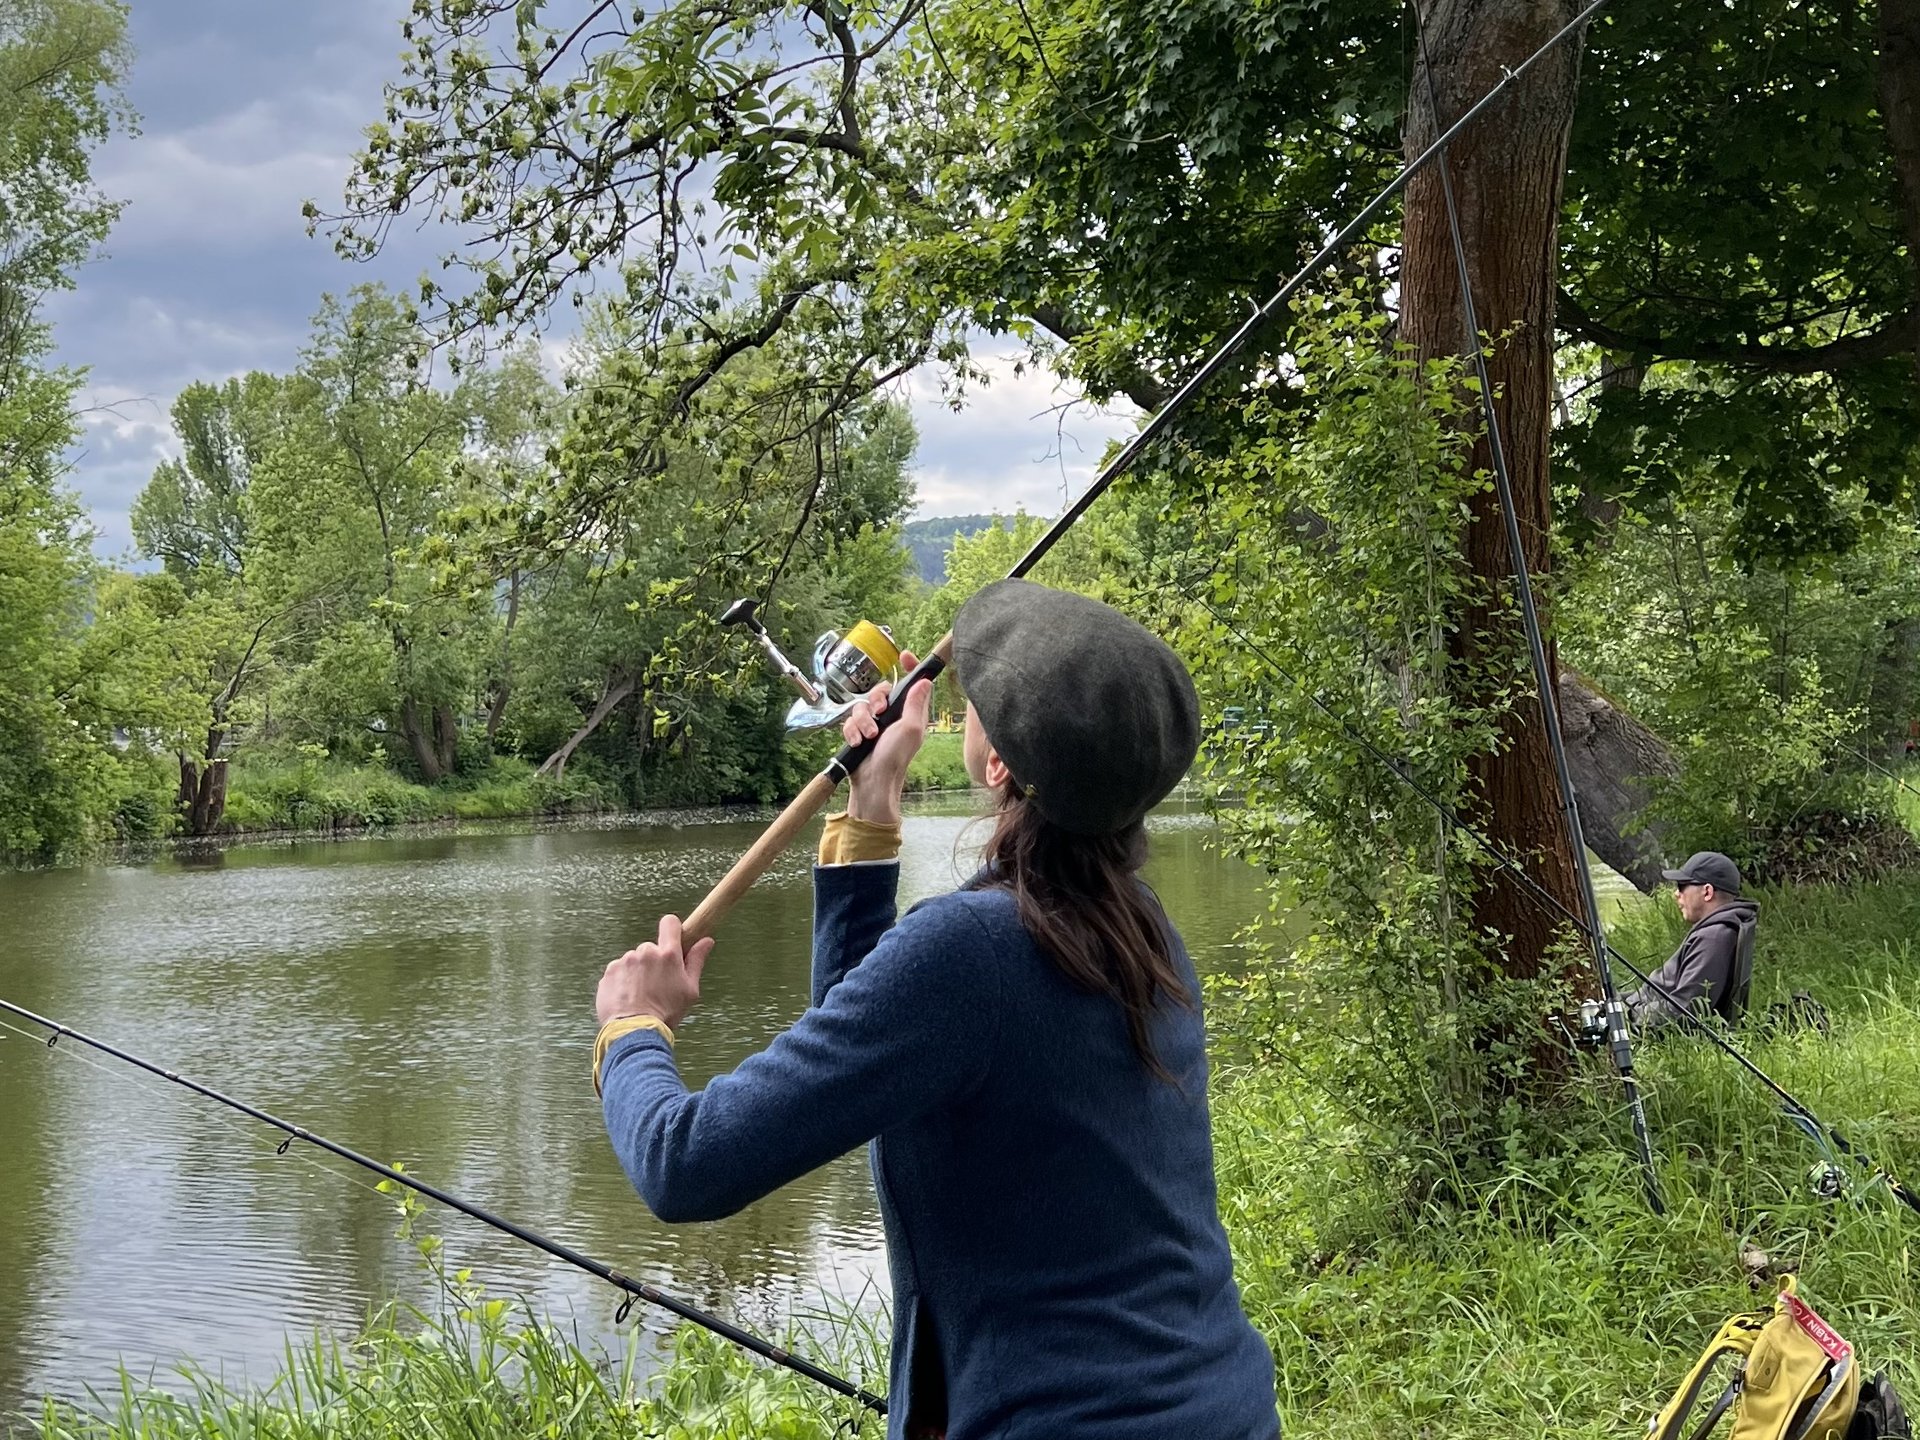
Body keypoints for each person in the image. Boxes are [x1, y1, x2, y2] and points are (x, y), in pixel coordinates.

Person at [591, 579, 1281, 1440]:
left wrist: (631, 1030)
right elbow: (869, 1062)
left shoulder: (971, 955)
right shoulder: (1144, 933)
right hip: (1225, 1408)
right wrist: (871, 808)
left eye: (977, 699)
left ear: (999, 767)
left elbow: (685, 1165)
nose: (959, 697)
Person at [1625, 851, 1760, 1032]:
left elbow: (1683, 1011)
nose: (1676, 894)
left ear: (1707, 891)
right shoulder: (1715, 930)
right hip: (1645, 1004)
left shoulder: (1714, 938)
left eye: (1682, 886)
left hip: (1652, 1021)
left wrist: (1627, 1016)